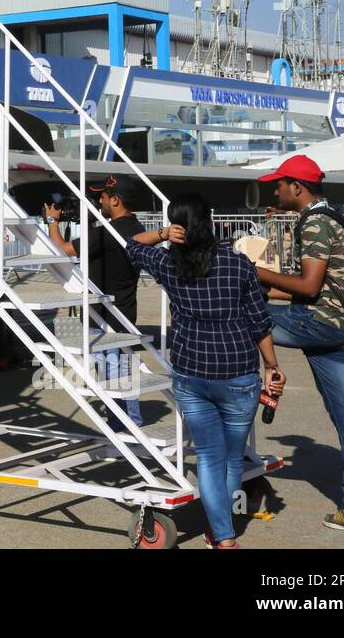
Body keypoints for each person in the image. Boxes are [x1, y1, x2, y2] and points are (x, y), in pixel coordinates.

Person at [124, 193, 287, 549]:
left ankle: (223, 538)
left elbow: (131, 245)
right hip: (238, 372)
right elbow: (259, 323)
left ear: (180, 227)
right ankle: (220, 528)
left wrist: (164, 234)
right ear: (209, 223)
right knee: (230, 458)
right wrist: (273, 367)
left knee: (210, 459)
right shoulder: (239, 264)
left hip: (191, 371)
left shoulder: (168, 264)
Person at [254, 155, 344, 538]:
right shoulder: (331, 215)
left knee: (243, 318)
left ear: (297, 187)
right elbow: (313, 287)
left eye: (279, 184)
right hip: (339, 330)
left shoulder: (316, 222)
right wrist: (266, 285)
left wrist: (251, 272)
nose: (274, 190)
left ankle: (235, 448)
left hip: (320, 325)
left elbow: (307, 287)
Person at [43, 174, 146, 427]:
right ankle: (127, 423)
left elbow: (63, 248)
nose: (99, 201)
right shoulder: (136, 227)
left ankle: (126, 427)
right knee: (119, 373)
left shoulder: (110, 233)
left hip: (105, 317)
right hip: (123, 311)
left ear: (116, 200)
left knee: (114, 377)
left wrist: (51, 220)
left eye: (102, 196)